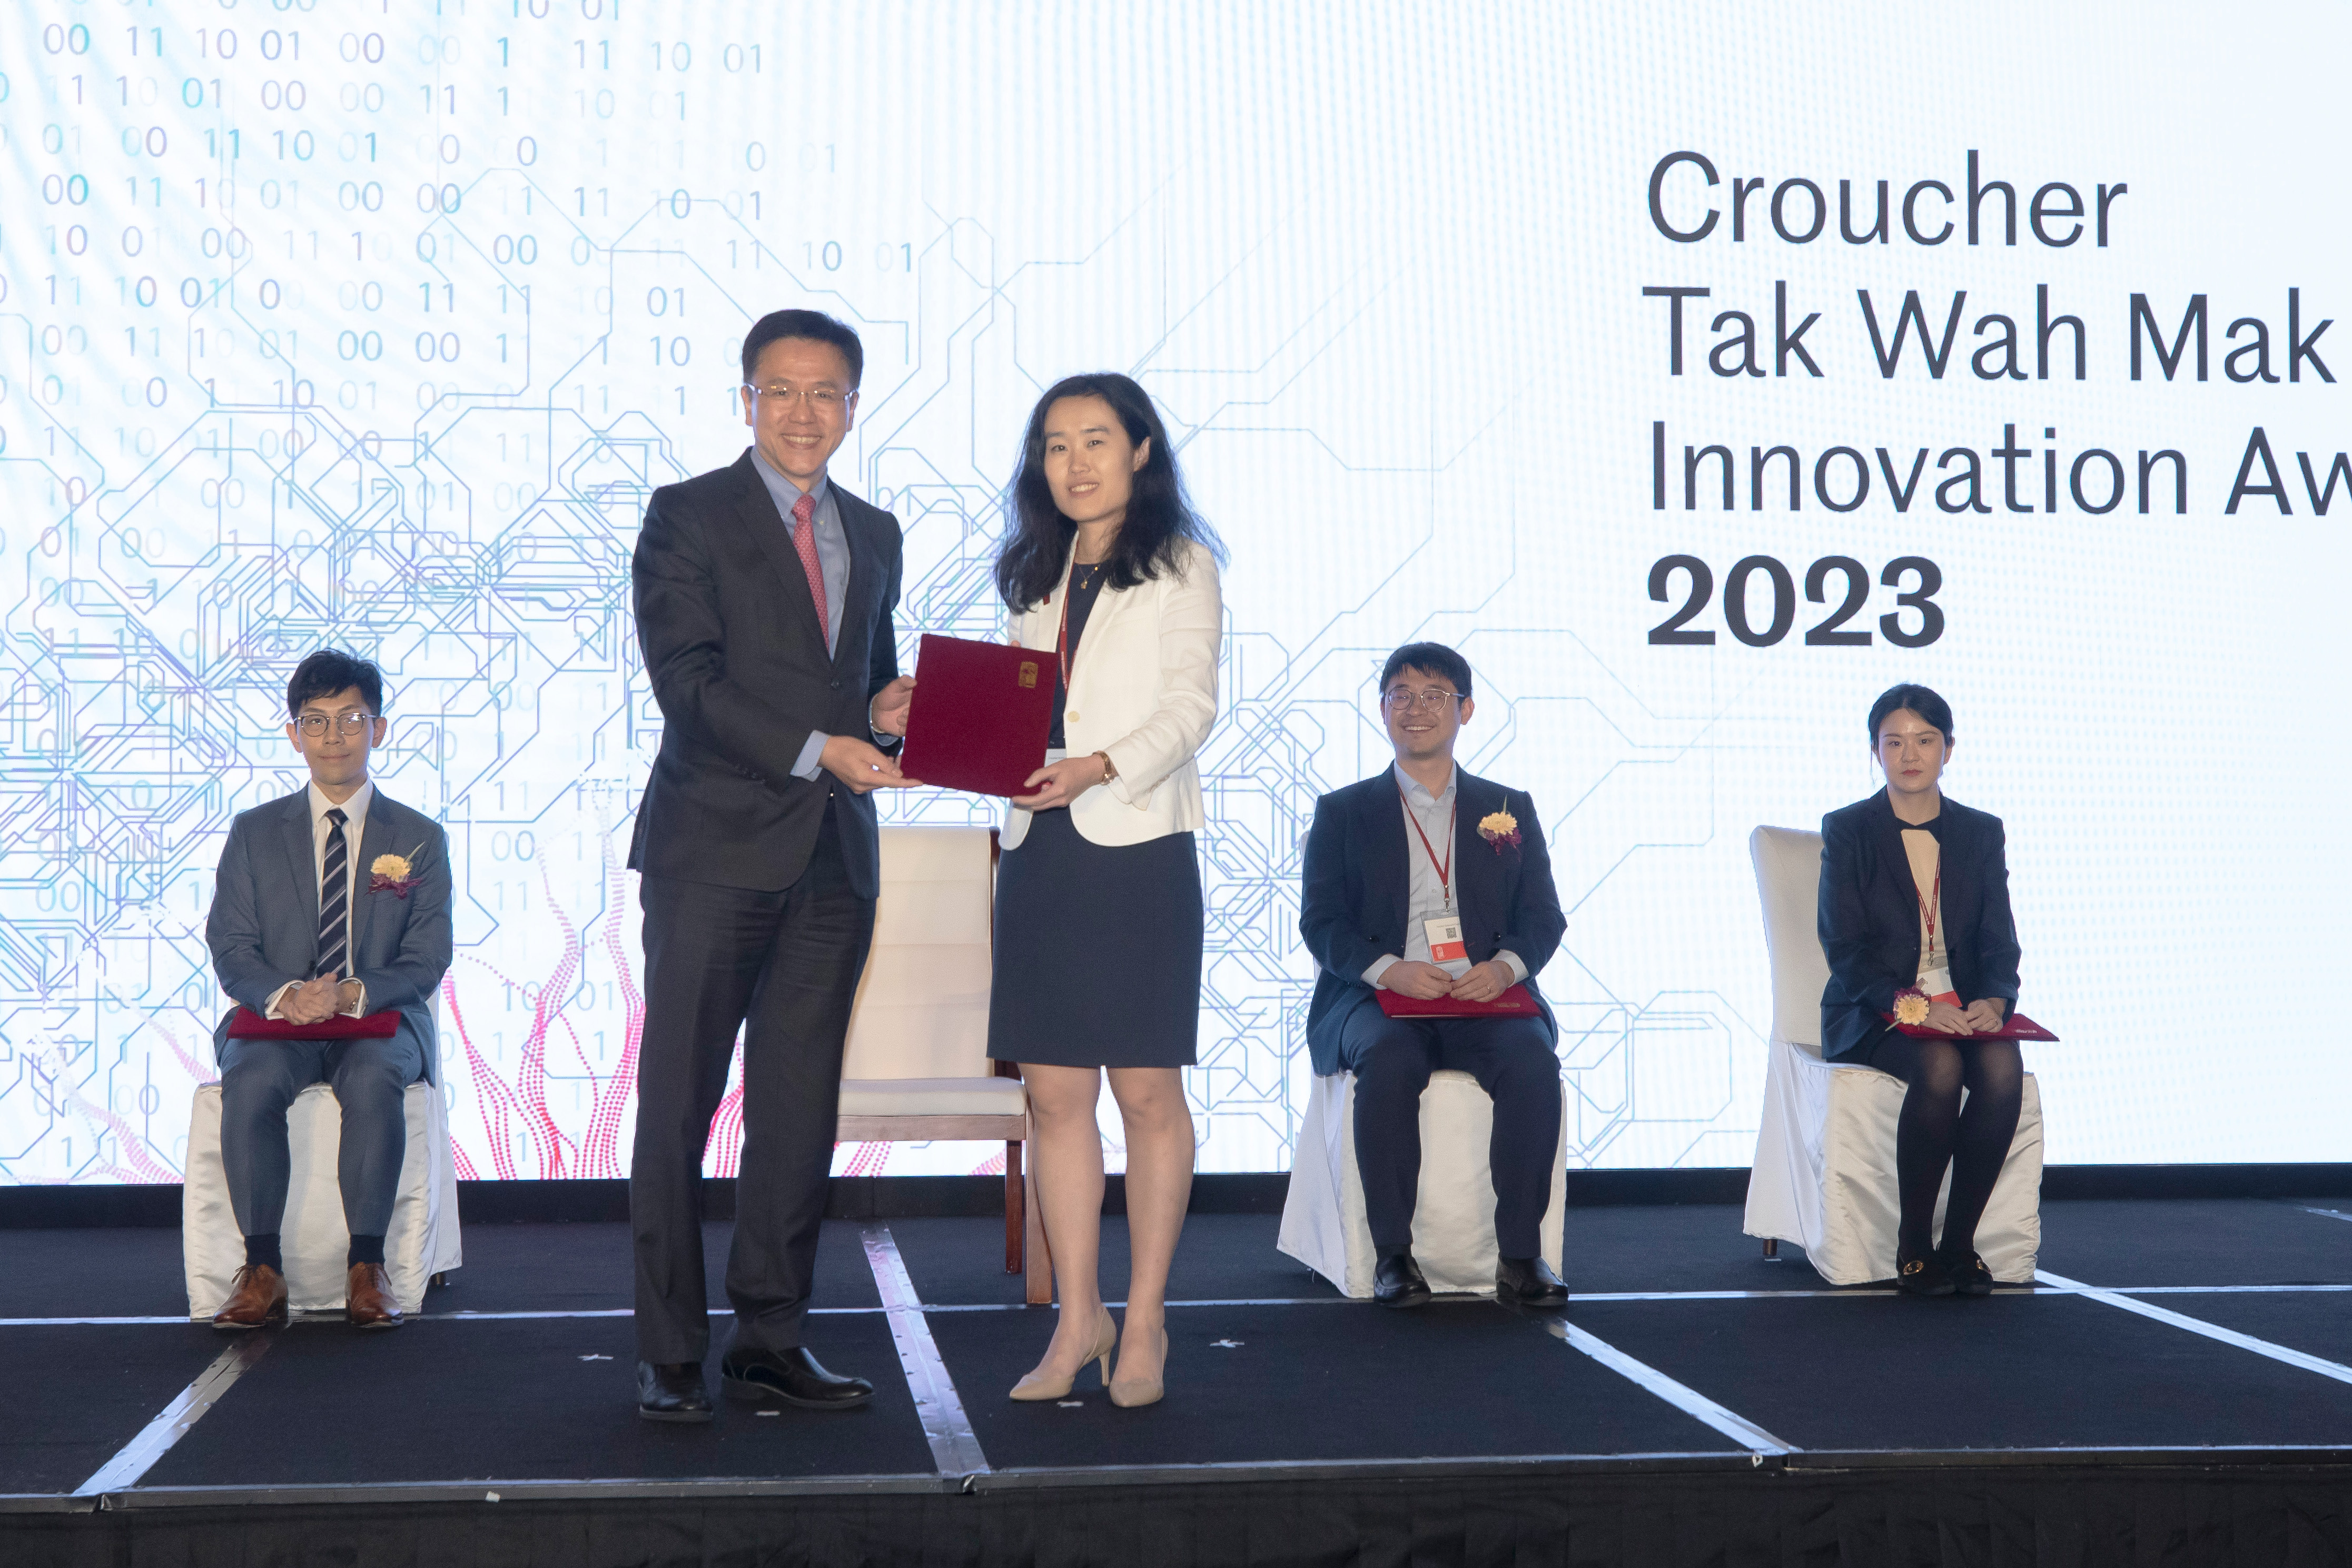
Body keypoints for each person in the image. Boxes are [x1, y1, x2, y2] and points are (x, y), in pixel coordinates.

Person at [628, 308, 918, 1422]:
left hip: (834, 860)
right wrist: (819, 747)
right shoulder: (686, 515)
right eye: (782, 391)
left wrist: (891, 718)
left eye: (828, 393)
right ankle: (667, 1348)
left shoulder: (879, 531)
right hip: (713, 848)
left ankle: (767, 1337)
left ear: (853, 405)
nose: (805, 413)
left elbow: (870, 687)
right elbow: (688, 682)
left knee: (796, 1110)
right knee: (679, 1103)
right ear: (745, 399)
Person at [987, 372, 1223, 1410]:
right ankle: (1077, 1317)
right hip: (1041, 852)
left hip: (1134, 846)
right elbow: (1016, 713)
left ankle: (1149, 1318)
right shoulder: (1033, 571)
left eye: (1095, 440)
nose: (1074, 462)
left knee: (1143, 1093)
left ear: (1138, 450)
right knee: (1053, 1096)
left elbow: (1190, 708)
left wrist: (1097, 764)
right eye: (1053, 445)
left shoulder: (1180, 562)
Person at [1300, 642, 1569, 1309]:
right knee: (1387, 1061)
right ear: (1382, 710)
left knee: (1533, 1063)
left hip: (1484, 995)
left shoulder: (1509, 806)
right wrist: (1390, 969)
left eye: (1434, 695)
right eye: (1400, 695)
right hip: (1378, 996)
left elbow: (1542, 917)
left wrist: (1502, 968)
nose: (1415, 709)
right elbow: (1322, 922)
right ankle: (1393, 1254)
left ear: (1466, 710)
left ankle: (1519, 1256)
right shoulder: (1343, 811)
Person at [204, 649, 453, 1331]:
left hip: (376, 1020)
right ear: (294, 734)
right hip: (279, 1023)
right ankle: (261, 1269)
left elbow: (428, 955)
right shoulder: (253, 833)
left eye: (350, 718)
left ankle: (366, 1267)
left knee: (375, 1078)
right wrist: (288, 994)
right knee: (250, 1080)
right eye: (316, 721)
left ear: (379, 728)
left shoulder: (419, 839)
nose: (334, 735)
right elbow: (231, 946)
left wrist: (353, 993)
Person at [1818, 682, 2024, 1298]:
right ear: (1874, 751)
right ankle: (1914, 1245)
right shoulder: (1848, 829)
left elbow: (1997, 938)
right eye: (1894, 741)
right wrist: (1916, 1006)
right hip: (1875, 1010)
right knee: (1936, 1064)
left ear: (1948, 749)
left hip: (1961, 1004)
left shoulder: (1979, 832)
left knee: (2001, 1063)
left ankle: (1960, 1244)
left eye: (1925, 740)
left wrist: (1993, 998)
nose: (1910, 754)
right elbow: (1844, 950)